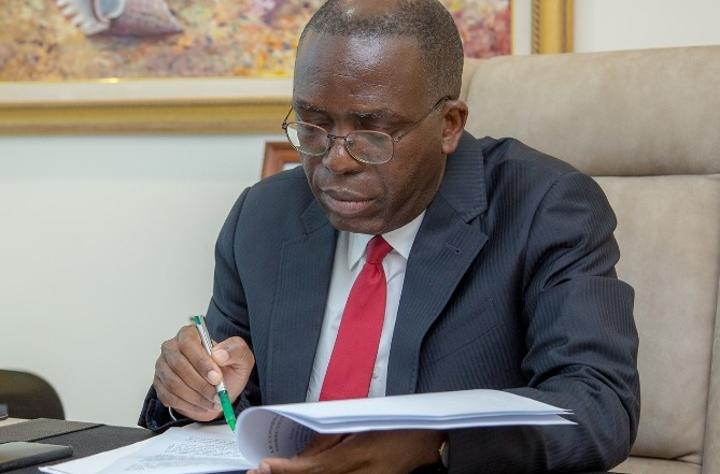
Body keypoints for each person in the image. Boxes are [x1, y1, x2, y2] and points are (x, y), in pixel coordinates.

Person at [139, 1, 640, 472]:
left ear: (449, 125)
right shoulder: (265, 216)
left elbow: (599, 405)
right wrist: (195, 393)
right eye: (313, 126)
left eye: (372, 134)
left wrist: (434, 443)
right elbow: (236, 400)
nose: (337, 160)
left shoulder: (543, 208)